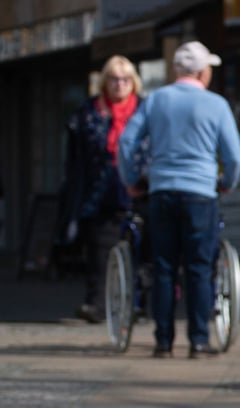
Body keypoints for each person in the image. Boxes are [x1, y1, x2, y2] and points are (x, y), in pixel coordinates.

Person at [118, 41, 240, 359]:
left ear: (177, 70)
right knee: (199, 269)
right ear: (203, 72)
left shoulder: (156, 100)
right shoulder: (216, 105)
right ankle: (198, 340)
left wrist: (132, 180)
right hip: (201, 192)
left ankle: (163, 341)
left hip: (161, 191)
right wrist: (226, 183)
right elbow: (234, 154)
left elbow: (126, 142)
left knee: (164, 267)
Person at [63, 55, 144, 324]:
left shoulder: (144, 111)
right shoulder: (89, 113)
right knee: (100, 250)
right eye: (113, 79)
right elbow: (76, 160)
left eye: (124, 79)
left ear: (133, 83)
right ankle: (98, 304)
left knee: (139, 250)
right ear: (104, 83)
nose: (119, 85)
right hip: (100, 192)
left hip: (136, 190)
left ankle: (136, 304)